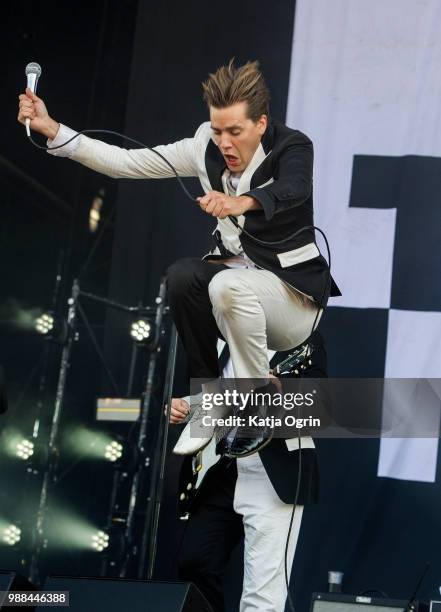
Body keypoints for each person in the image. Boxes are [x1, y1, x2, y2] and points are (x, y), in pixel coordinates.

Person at [18, 59, 340, 611]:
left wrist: (241, 201)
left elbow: (291, 190)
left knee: (227, 292)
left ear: (262, 123)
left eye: (235, 130)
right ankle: (215, 395)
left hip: (292, 302)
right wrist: (55, 133)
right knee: (189, 278)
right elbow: (125, 161)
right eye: (217, 130)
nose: (225, 142)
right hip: (236, 330)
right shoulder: (204, 148)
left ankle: (244, 396)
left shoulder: (292, 147)